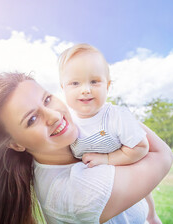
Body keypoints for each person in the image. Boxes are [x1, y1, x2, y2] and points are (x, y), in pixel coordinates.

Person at [0, 72, 173, 224]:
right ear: (16, 144)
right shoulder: (78, 193)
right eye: (31, 119)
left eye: (47, 99)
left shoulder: (79, 146)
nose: (53, 115)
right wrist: (111, 113)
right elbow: (161, 155)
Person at [57, 44, 161, 223]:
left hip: (130, 199)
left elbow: (141, 147)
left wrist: (107, 159)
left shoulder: (116, 116)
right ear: (63, 88)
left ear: (108, 85)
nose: (85, 89)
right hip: (98, 204)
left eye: (94, 81)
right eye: (75, 83)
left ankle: (152, 216)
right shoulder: (66, 124)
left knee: (144, 200)